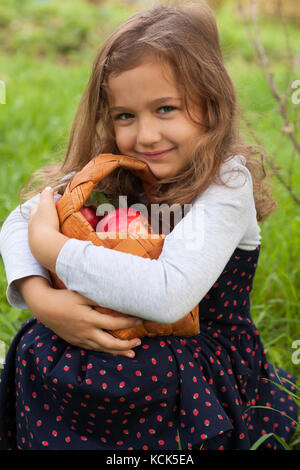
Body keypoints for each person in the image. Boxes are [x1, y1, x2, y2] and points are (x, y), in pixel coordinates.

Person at [0, 1, 297, 451]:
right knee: (39, 346)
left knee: (137, 374)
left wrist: (52, 249)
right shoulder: (122, 168)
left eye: (165, 109)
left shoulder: (225, 184)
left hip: (198, 352)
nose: (146, 135)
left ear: (212, 104)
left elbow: (166, 295)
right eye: (125, 115)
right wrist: (42, 300)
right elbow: (23, 218)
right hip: (117, 336)